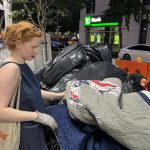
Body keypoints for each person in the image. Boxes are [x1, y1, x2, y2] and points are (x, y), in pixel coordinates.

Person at [0, 21, 65, 150]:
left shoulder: (22, 64)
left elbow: (32, 91)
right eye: (33, 47)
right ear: (18, 44)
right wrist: (37, 116)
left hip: (32, 132)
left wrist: (59, 95)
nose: (36, 51)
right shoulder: (11, 69)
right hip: (21, 136)